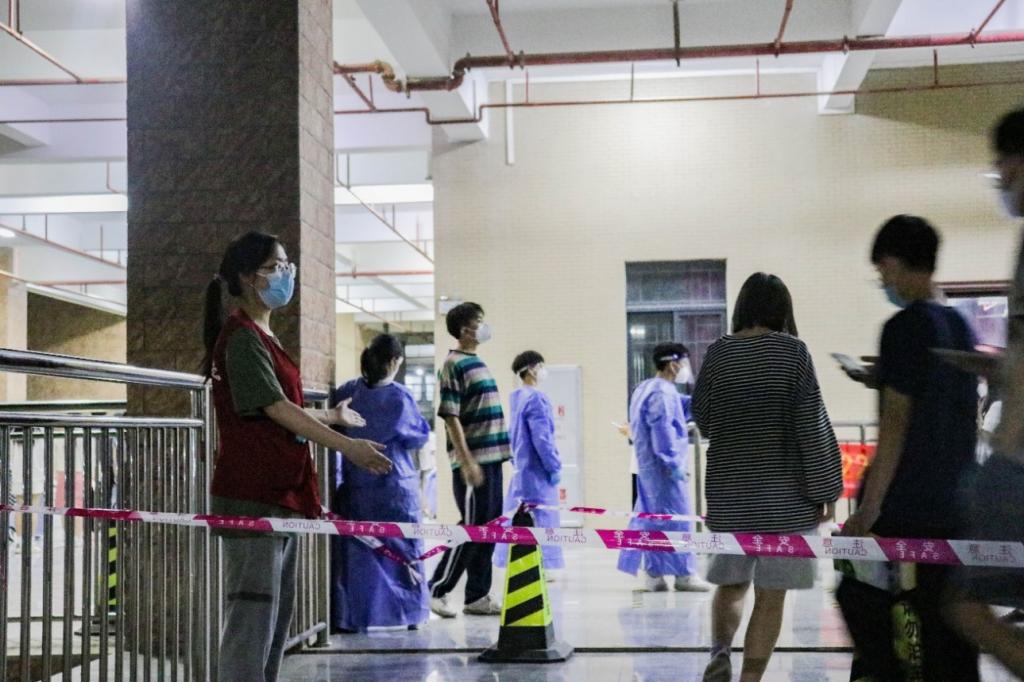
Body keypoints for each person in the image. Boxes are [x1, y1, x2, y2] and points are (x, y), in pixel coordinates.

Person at [201, 231, 391, 682]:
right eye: (276, 266)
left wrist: (331, 415)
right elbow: (276, 408)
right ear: (247, 278)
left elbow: (280, 404)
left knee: (274, 618)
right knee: (252, 619)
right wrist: (348, 447)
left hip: (281, 495)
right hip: (254, 496)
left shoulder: (264, 336)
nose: (286, 274)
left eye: (288, 265)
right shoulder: (242, 339)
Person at [840, 216, 980, 680]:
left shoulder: (902, 327)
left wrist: (868, 511)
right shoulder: (958, 325)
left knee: (858, 596)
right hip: (955, 500)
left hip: (909, 502)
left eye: (882, 271)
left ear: (895, 264)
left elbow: (896, 427)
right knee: (947, 629)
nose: (884, 281)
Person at [693, 273, 842, 682]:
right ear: (782, 309)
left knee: (731, 585)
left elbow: (703, 418)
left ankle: (720, 654)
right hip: (786, 504)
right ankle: (749, 680)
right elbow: (811, 426)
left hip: (729, 499)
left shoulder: (718, 352)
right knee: (771, 598)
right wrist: (827, 489)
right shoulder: (793, 352)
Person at [946, 108, 1024, 676]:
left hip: (1018, 455)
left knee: (966, 606)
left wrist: (1004, 451)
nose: (1001, 180)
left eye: (1003, 166)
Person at [330, 334, 431, 633]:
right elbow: (417, 436)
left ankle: (353, 617)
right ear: (395, 361)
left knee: (360, 552)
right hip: (395, 487)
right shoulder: (401, 397)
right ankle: (411, 613)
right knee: (405, 551)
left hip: (357, 486)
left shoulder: (347, 392)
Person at [428, 302, 511, 618]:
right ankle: (438, 589)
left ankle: (477, 595)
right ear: (465, 329)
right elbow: (450, 416)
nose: (484, 327)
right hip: (474, 462)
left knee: (489, 528)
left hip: (493, 459)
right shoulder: (453, 364)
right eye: (479, 322)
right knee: (473, 527)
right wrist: (466, 461)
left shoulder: (477, 362)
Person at [617, 341, 710, 593]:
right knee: (677, 521)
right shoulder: (662, 394)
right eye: (683, 362)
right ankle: (684, 574)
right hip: (666, 472)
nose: (686, 368)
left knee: (653, 522)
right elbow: (663, 432)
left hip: (649, 473)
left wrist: (705, 398)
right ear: (672, 365)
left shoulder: (646, 388)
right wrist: (673, 463)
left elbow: (681, 407)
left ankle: (654, 574)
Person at [495, 351, 564, 575]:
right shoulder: (536, 399)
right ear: (532, 369)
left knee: (519, 518)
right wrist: (553, 466)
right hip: (537, 474)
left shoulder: (517, 398)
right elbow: (542, 439)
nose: (543, 371)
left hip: (521, 472)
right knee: (541, 519)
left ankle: (520, 563)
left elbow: (514, 436)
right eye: (541, 366)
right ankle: (542, 565)